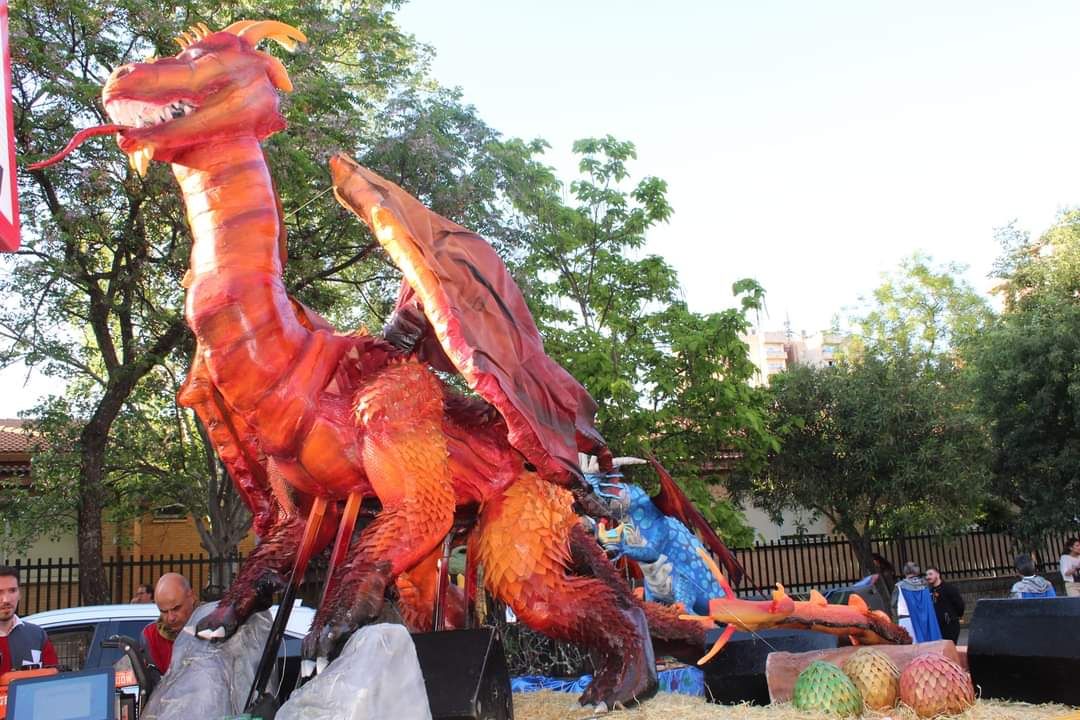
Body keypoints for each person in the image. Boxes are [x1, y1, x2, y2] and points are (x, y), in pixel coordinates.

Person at [0, 566, 59, 674]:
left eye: (12, 591)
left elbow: (52, 680)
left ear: (20, 594)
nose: (6, 600)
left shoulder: (37, 635)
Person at [141, 573, 196, 673]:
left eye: (176, 608)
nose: (171, 618)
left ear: (191, 597)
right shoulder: (151, 636)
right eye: (164, 611)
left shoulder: (215, 627)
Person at [890, 561, 942, 643]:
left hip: (906, 622)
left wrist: (895, 624)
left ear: (905, 571)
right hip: (925, 622)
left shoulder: (899, 586)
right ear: (917, 571)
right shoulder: (925, 585)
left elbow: (893, 606)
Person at [925, 566, 965, 643]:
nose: (928, 577)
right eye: (926, 575)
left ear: (937, 575)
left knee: (949, 650)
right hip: (937, 627)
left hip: (950, 626)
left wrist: (951, 617)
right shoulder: (930, 591)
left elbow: (960, 605)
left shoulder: (949, 588)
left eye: (930, 574)